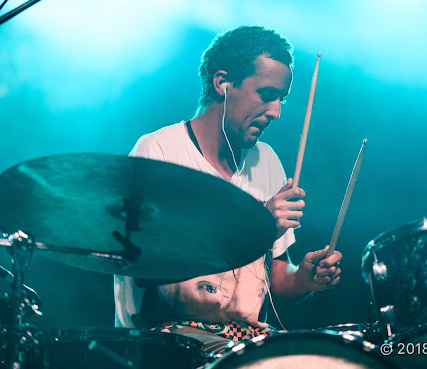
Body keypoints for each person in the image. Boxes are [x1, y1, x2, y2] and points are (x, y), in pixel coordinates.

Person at [114, 25, 342, 354]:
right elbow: (146, 269)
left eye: (282, 99)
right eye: (266, 94)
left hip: (246, 343)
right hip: (169, 341)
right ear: (223, 83)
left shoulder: (267, 162)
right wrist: (252, 227)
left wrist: (303, 277)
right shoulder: (158, 152)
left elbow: (274, 275)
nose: (276, 112)